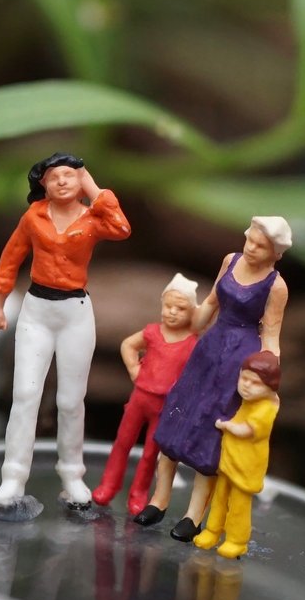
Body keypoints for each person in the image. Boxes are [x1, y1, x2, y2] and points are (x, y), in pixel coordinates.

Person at [0, 153, 130, 513]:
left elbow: (122, 228)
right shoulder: (33, 217)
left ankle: (72, 474)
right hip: (36, 311)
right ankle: (13, 476)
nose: (62, 181)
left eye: (69, 175)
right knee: (25, 396)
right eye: (53, 176)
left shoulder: (93, 219)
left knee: (70, 400)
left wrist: (92, 184)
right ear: (41, 184)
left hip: (75, 312)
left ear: (81, 180)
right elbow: (10, 258)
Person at [139, 215, 290, 539]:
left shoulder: (276, 286)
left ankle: (193, 517)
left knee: (210, 433)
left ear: (275, 252)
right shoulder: (230, 261)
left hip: (239, 357)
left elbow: (272, 334)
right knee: (175, 420)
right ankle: (159, 499)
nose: (251, 248)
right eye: (249, 240)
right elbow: (210, 302)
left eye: (260, 246)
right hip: (209, 348)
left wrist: (269, 377)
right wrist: (183, 331)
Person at [91, 273, 199, 515]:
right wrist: (133, 368)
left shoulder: (192, 343)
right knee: (122, 442)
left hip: (165, 406)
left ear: (192, 312)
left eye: (180, 308)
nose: (172, 312)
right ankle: (108, 485)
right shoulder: (152, 332)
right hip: (140, 398)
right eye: (169, 306)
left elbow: (196, 373)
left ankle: (138, 492)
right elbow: (128, 344)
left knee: (151, 453)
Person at [192, 350, 281, 560]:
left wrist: (225, 425)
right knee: (219, 499)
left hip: (246, 468)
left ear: (270, 386)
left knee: (239, 506)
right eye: (244, 379)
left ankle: (237, 541)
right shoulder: (247, 402)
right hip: (228, 463)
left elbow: (246, 430)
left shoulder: (266, 408)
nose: (246, 386)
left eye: (255, 383)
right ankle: (213, 531)